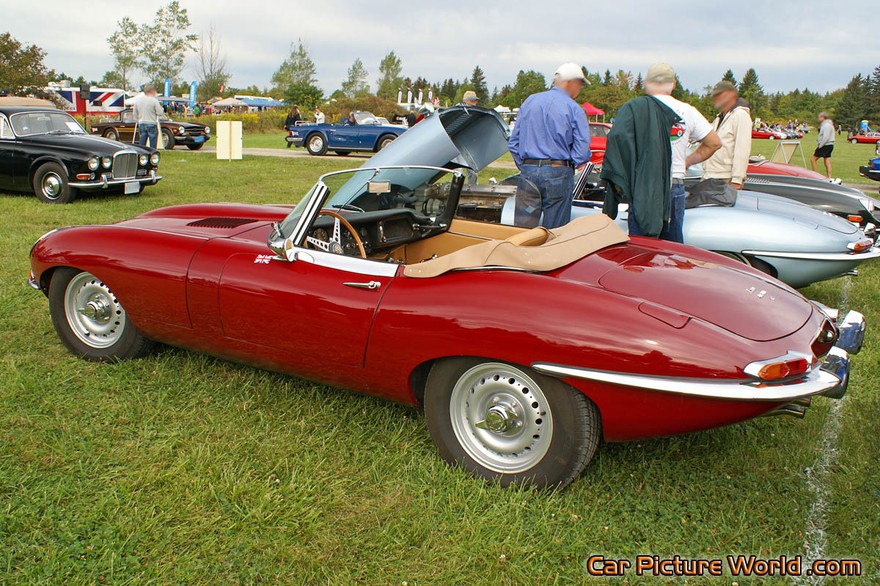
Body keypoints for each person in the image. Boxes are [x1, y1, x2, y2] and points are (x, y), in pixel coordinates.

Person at [602, 63, 720, 242]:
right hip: (674, 185)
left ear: (647, 84)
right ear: (673, 84)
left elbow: (617, 141)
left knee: (641, 251)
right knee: (671, 253)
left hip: (644, 187)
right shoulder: (688, 111)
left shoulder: (635, 109)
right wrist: (687, 161)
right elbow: (714, 143)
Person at [508, 62, 591, 229]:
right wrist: (567, 165)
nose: (579, 90)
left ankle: (523, 254)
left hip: (529, 170)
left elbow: (514, 142)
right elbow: (582, 150)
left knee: (523, 232)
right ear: (571, 82)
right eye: (580, 86)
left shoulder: (530, 101)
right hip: (558, 171)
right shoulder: (574, 109)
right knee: (555, 233)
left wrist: (526, 165)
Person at [703, 80, 752, 190]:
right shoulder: (719, 118)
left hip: (725, 178)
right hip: (710, 176)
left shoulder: (740, 115)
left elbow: (742, 149)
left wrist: (737, 179)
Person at [132, 83, 164, 149]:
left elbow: (134, 113)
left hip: (142, 123)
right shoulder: (154, 101)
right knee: (153, 143)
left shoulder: (138, 100)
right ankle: (152, 155)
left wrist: (138, 121)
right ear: (151, 91)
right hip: (151, 123)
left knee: (142, 142)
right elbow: (160, 113)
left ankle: (141, 155)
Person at [812, 112, 835, 177]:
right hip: (830, 145)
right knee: (827, 161)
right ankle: (829, 177)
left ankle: (815, 175)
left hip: (825, 145)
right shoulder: (830, 124)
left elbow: (825, 137)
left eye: (819, 117)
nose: (818, 118)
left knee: (813, 159)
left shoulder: (826, 125)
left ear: (823, 117)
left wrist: (820, 145)